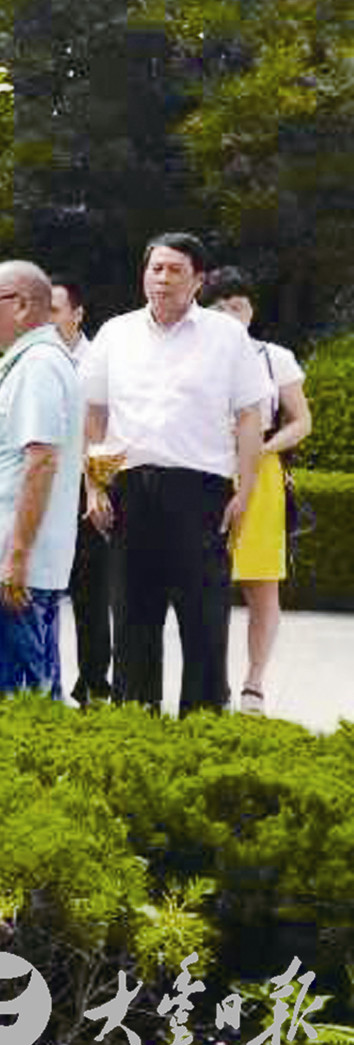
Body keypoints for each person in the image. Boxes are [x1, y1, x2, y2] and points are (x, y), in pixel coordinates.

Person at [81, 234, 265, 715]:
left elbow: (250, 416)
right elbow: (94, 415)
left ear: (198, 280)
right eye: (155, 268)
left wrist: (245, 492)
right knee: (133, 620)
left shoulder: (227, 337)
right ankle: (136, 727)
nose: (162, 279)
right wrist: (93, 487)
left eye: (174, 270)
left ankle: (202, 730)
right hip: (130, 492)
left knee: (205, 624)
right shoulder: (115, 333)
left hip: (201, 492)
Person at [0, 262, 83, 697]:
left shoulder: (39, 365)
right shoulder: (22, 362)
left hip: (7, 563)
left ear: (23, 305)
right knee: (11, 693)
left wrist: (16, 554)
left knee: (18, 699)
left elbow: (42, 460)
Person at [199, 266, 313, 715]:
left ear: (251, 310)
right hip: (205, 467)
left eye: (238, 305)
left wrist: (262, 446)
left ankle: (254, 683)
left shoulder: (274, 357)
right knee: (202, 582)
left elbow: (301, 420)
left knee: (261, 584)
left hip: (260, 475)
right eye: (219, 306)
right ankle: (209, 680)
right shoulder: (191, 357)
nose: (229, 314)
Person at [50, 278, 111, 705]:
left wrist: (98, 487)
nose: (47, 319)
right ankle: (44, 680)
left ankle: (93, 682)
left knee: (92, 595)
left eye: (54, 309)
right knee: (42, 593)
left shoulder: (101, 360)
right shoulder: (30, 360)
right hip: (40, 486)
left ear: (77, 313)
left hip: (87, 490)